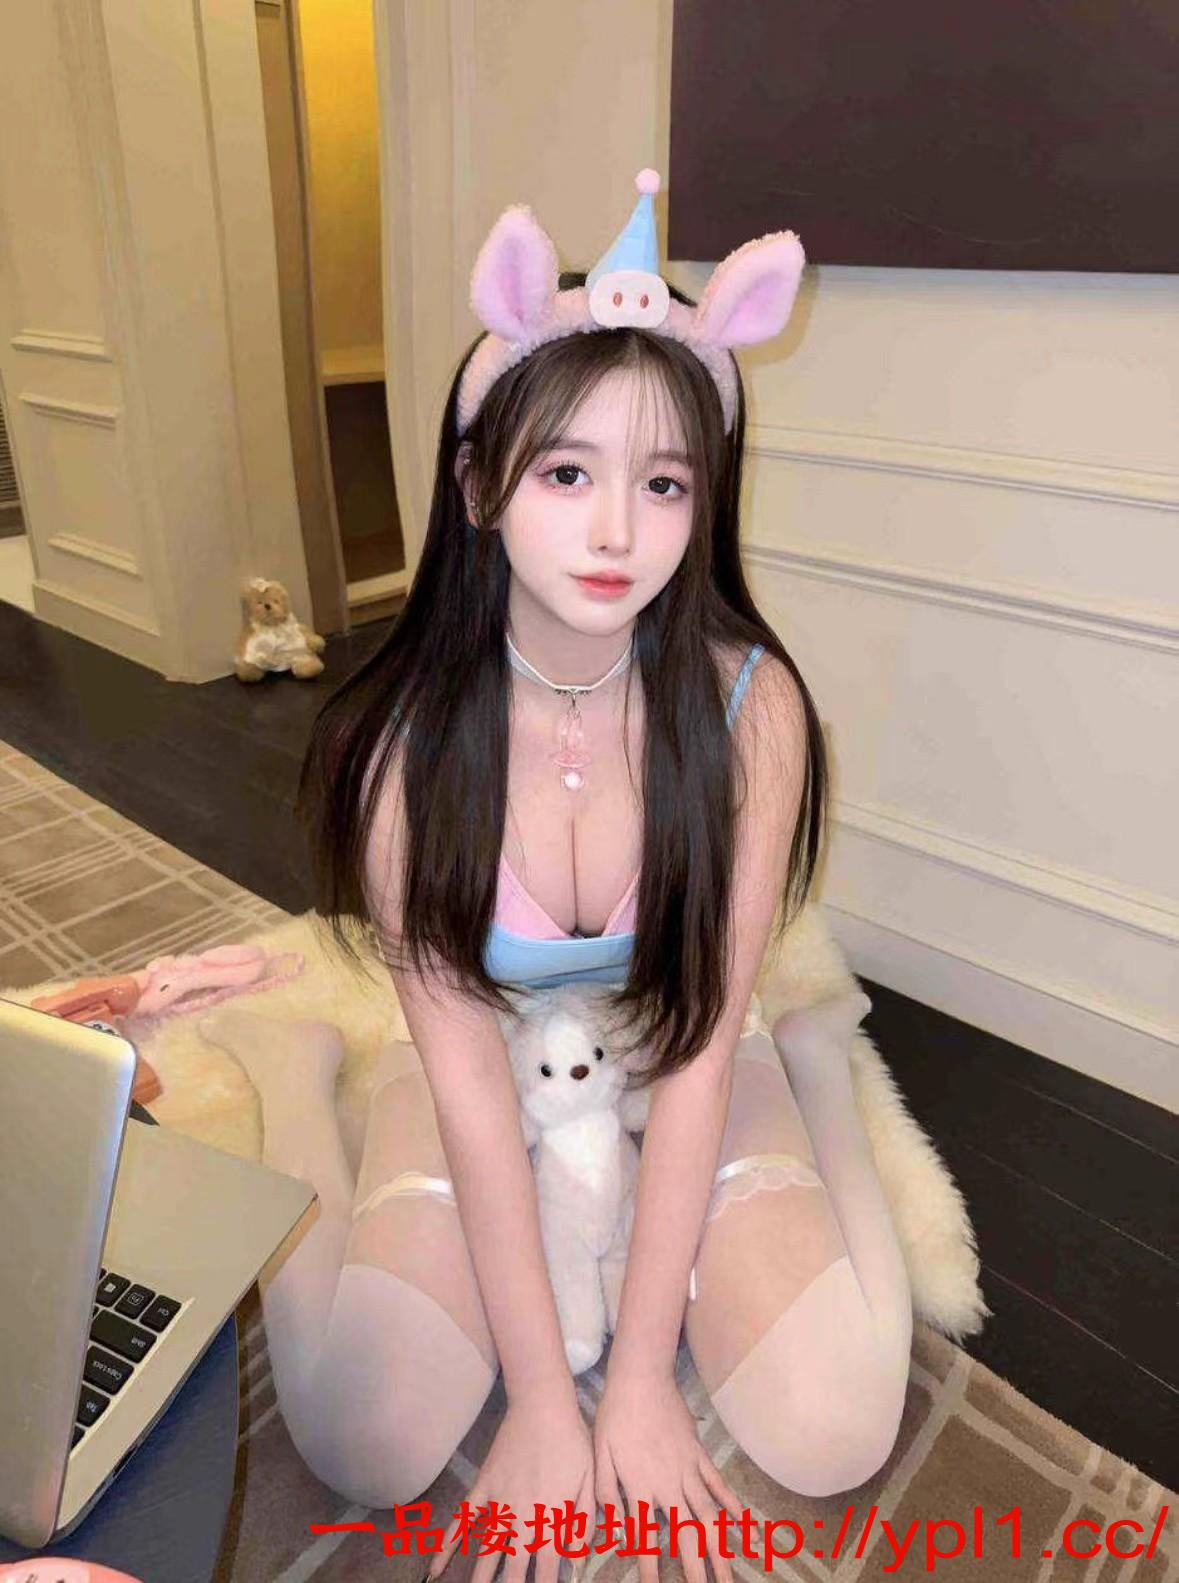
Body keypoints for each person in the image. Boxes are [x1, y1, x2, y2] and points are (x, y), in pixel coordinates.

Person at [199, 171, 911, 1583]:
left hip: (676, 1036)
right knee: (364, 1435)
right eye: (567, 474)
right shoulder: (401, 748)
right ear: (478, 486)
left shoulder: (751, 711)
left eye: (664, 483)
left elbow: (698, 1046)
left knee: (836, 1429)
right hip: (484, 1046)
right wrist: (541, 1395)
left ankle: (824, 1065)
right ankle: (294, 1071)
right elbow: (473, 1083)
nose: (616, 534)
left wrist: (636, 1377)